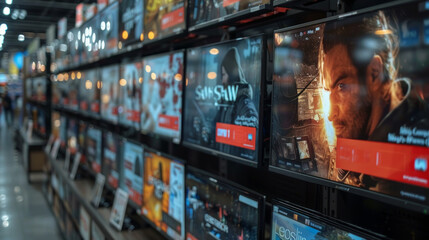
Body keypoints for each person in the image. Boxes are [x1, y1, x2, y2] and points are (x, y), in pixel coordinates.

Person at [319, 11, 429, 189]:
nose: (330, 114)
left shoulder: (404, 164)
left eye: (341, 86)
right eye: (329, 90)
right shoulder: (372, 142)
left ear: (374, 73)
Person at [215, 47, 258, 158]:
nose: (222, 80)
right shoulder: (227, 102)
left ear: (232, 74)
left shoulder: (244, 103)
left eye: (224, 75)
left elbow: (252, 143)